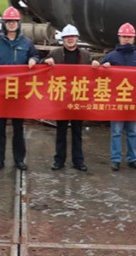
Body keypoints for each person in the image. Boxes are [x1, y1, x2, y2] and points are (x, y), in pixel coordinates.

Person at [0, 7, 39, 171]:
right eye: (8, 21)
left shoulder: (26, 42)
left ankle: (19, 160)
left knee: (18, 127)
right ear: (4, 24)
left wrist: (33, 59)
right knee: (0, 127)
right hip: (1, 91)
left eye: (14, 21)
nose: (11, 24)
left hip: (19, 91)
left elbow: (36, 55)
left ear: (18, 23)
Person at [92, 22, 136, 171]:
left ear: (134, 38)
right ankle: (115, 159)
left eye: (129, 36)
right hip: (116, 101)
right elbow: (99, 76)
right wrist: (101, 66)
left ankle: (132, 159)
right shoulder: (111, 56)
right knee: (116, 132)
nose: (127, 39)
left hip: (133, 102)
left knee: (133, 132)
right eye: (124, 36)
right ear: (119, 38)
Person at [44, 24, 91, 172]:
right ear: (63, 39)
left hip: (78, 99)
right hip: (61, 100)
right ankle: (59, 160)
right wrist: (45, 62)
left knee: (77, 132)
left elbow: (94, 74)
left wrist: (97, 65)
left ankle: (78, 161)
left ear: (77, 38)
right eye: (67, 37)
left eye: (72, 37)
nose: (70, 39)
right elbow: (41, 68)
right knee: (61, 132)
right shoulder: (55, 54)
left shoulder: (85, 55)